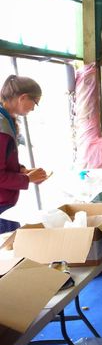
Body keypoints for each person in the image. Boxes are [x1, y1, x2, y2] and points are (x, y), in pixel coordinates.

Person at [0, 74, 47, 234]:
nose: (33, 108)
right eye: (35, 102)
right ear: (23, 97)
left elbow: (5, 160)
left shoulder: (6, 120)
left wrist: (22, 170)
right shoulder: (1, 128)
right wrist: (27, 179)